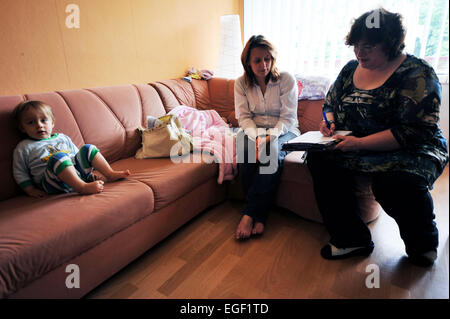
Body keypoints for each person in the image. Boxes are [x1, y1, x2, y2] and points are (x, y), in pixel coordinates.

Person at [306, 8, 449, 267]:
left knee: (394, 184)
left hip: (411, 148)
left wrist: (359, 143)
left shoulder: (416, 74)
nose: (360, 53)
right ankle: (352, 238)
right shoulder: (350, 69)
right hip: (357, 143)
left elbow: (413, 132)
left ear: (391, 44)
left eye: (369, 47)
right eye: (356, 46)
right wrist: (329, 122)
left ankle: (423, 244)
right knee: (319, 160)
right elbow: (330, 103)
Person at [234, 35, 300, 240]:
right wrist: (256, 138)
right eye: (257, 60)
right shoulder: (241, 83)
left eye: (267, 59)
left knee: (271, 154)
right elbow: (243, 117)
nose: (264, 65)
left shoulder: (286, 79)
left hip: (284, 130)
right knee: (245, 152)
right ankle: (259, 215)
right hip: (254, 129)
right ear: (248, 62)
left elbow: (287, 118)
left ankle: (250, 214)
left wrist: (269, 138)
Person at [12, 100, 131, 197]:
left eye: (43, 120)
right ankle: (82, 187)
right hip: (51, 183)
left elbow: (77, 156)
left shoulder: (62, 138)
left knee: (88, 148)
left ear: (52, 123)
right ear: (22, 128)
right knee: (59, 157)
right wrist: (30, 190)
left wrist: (87, 174)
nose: (39, 125)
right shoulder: (24, 147)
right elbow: (19, 171)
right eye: (31, 122)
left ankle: (109, 173)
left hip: (75, 174)